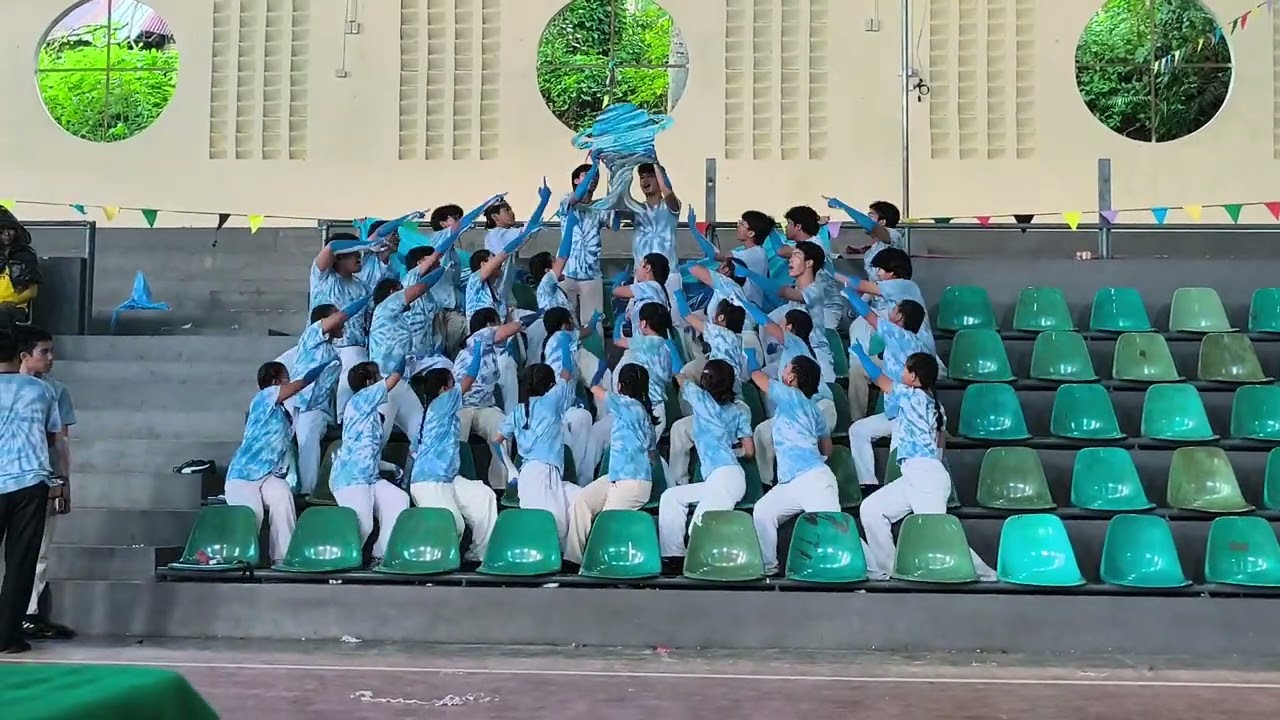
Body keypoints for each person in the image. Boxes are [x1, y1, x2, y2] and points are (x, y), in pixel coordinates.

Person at [851, 344, 996, 581]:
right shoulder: (934, 404)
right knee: (871, 509)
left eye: (906, 369)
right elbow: (940, 445)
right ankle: (891, 567)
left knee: (938, 533)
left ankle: (986, 574)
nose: (902, 372)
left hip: (925, 476)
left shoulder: (912, 396)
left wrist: (862, 357)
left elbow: (880, 380)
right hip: (916, 475)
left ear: (914, 377)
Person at [225, 359, 333, 565]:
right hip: (244, 475)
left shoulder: (281, 412)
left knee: (282, 496)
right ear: (275, 382)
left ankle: (283, 559)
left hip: (267, 475)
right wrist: (318, 369)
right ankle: (242, 562)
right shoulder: (263, 397)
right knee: (253, 513)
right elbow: (300, 385)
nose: (289, 382)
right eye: (286, 379)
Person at [747, 354, 838, 576]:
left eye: (786, 367)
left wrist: (749, 357)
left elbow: (758, 378)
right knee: (763, 511)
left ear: (792, 377)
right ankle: (769, 568)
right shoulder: (813, 408)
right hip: (791, 482)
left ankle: (875, 571)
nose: (783, 370)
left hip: (811, 479)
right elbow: (827, 448)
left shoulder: (790, 396)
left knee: (835, 531)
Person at [0, 330, 62, 655]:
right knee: (21, 562)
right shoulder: (42, 391)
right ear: (19, 355)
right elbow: (52, 438)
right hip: (29, 482)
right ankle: (7, 637)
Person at [657, 359, 754, 560]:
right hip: (725, 477)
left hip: (726, 481)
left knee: (697, 530)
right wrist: (730, 451)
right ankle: (673, 556)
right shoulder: (739, 410)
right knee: (671, 497)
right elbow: (749, 451)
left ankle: (697, 567)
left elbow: (680, 377)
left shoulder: (699, 398)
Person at [736, 296, 837, 486]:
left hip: (816, 408)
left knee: (765, 434)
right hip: (817, 409)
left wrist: (746, 303)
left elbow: (766, 323)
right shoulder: (799, 350)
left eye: (782, 324)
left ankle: (768, 484)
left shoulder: (794, 342)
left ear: (789, 328)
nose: (779, 328)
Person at [12, 326, 73, 641]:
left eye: (51, 351)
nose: (50, 358)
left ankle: (28, 613)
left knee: (39, 549)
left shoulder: (55, 391)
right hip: (7, 477)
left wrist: (63, 479)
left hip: (39, 477)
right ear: (24, 355)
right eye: (43, 352)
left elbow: (60, 439)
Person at [565, 363, 659, 565]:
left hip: (632, 483)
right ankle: (572, 561)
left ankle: (596, 567)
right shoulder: (642, 411)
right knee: (581, 502)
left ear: (621, 384)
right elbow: (652, 456)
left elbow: (595, 389)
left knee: (604, 524)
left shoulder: (627, 405)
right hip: (617, 477)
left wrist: (596, 370)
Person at [496, 362, 599, 544]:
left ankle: (572, 558)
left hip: (542, 476)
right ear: (550, 385)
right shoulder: (552, 401)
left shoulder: (517, 411)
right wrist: (567, 340)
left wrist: (511, 468)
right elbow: (566, 372)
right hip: (539, 476)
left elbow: (496, 442)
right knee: (553, 526)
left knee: (581, 501)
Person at [843, 290, 932, 487]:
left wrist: (851, 295)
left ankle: (897, 490)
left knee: (897, 458)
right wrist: (864, 359)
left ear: (899, 317)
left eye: (894, 309)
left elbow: (869, 315)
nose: (889, 312)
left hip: (908, 416)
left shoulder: (900, 334)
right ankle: (867, 483)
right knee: (858, 431)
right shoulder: (906, 339)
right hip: (894, 412)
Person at [409, 366, 498, 562]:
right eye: (451, 384)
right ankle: (434, 565)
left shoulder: (428, 414)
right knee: (454, 524)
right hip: (430, 482)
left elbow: (412, 451)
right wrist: (478, 350)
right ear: (443, 390)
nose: (454, 388)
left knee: (484, 497)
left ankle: (478, 556)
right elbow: (470, 378)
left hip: (447, 478)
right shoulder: (442, 402)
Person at [840, 247, 937, 423]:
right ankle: (857, 420)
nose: (877, 274)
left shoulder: (905, 285)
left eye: (880, 270)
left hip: (916, 363)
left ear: (892, 273)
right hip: (899, 360)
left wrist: (832, 273)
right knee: (858, 370)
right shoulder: (891, 300)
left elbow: (859, 290)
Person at [666, 283, 750, 486]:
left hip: (713, 400)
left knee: (680, 428)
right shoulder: (737, 339)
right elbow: (749, 451)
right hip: (732, 396)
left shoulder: (719, 332)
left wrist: (676, 291)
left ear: (721, 318)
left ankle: (678, 483)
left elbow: (687, 315)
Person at [330, 361, 410, 561]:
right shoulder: (362, 399)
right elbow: (394, 379)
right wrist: (402, 358)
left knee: (398, 500)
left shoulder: (368, 410)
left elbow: (366, 451)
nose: (381, 379)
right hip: (351, 478)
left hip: (369, 476)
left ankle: (380, 555)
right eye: (377, 376)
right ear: (368, 382)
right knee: (363, 525)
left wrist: (390, 467)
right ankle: (338, 561)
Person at [584, 303, 676, 475]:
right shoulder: (667, 348)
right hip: (647, 409)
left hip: (645, 410)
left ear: (643, 323)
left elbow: (619, 341)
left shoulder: (643, 342)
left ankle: (587, 480)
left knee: (640, 455)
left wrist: (619, 321)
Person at [288, 297, 365, 497]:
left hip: (320, 409)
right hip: (302, 405)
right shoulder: (311, 335)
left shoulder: (333, 352)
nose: (343, 322)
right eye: (335, 315)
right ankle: (305, 493)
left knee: (310, 444)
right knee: (305, 444)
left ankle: (309, 491)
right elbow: (340, 317)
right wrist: (366, 299)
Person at [453, 309, 528, 488]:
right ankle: (456, 482)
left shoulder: (492, 351)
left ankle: (500, 487)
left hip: (485, 407)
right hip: (461, 407)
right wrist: (528, 319)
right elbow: (507, 330)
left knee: (502, 425)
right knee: (455, 437)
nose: (499, 327)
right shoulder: (479, 338)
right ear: (488, 325)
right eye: (496, 323)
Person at [428, 193, 506, 355]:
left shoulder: (453, 253)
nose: (459, 220)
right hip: (439, 310)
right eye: (454, 217)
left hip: (452, 310)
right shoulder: (438, 238)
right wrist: (486, 205)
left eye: (460, 217)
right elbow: (462, 225)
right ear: (442, 223)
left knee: (456, 349)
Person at [308, 233, 373, 416]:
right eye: (353, 252)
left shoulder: (363, 287)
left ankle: (344, 419)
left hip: (353, 347)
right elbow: (331, 247)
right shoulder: (322, 278)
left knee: (354, 362)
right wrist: (370, 242)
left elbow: (369, 322)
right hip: (320, 346)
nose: (359, 256)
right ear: (338, 257)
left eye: (358, 252)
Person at [559, 157, 613, 325]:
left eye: (596, 176)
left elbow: (615, 225)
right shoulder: (567, 200)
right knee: (564, 323)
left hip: (592, 275)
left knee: (594, 325)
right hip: (566, 273)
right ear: (576, 180)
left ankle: (594, 352)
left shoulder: (600, 208)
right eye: (587, 174)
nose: (593, 178)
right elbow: (578, 196)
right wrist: (595, 166)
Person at [625, 163, 682, 311]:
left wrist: (656, 164)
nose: (645, 180)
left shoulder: (670, 206)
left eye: (650, 176)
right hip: (642, 276)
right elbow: (618, 207)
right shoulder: (636, 209)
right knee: (638, 322)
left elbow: (668, 193)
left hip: (668, 275)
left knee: (673, 322)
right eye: (642, 177)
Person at [611, 252, 671, 334]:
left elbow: (616, 291)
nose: (635, 270)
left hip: (644, 343)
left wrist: (621, 278)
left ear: (647, 268)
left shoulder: (648, 287)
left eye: (639, 265)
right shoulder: (660, 291)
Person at [0, 209, 39, 329]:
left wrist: (12, 301)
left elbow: (33, 291)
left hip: (15, 309)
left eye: (10, 229)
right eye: (2, 230)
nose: (7, 234)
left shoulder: (26, 256)